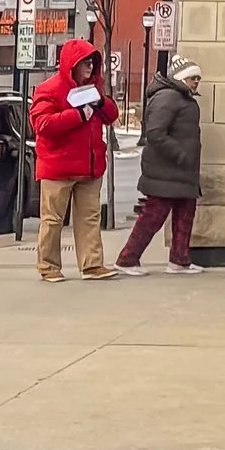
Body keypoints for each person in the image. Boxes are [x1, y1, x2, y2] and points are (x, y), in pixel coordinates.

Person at [28, 36, 117, 281]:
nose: (90, 67)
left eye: (92, 62)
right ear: (72, 64)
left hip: (89, 167)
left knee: (89, 218)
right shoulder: (49, 89)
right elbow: (42, 124)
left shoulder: (93, 90)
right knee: (53, 220)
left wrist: (101, 102)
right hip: (58, 167)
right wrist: (76, 115)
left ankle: (91, 265)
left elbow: (111, 116)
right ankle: (48, 266)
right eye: (85, 62)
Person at [115, 58, 204, 275]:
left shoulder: (180, 98)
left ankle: (179, 260)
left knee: (185, 213)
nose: (196, 83)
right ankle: (127, 259)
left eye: (198, 79)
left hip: (180, 172)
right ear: (181, 78)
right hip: (167, 171)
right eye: (193, 78)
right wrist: (181, 155)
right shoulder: (168, 97)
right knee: (153, 216)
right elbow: (155, 133)